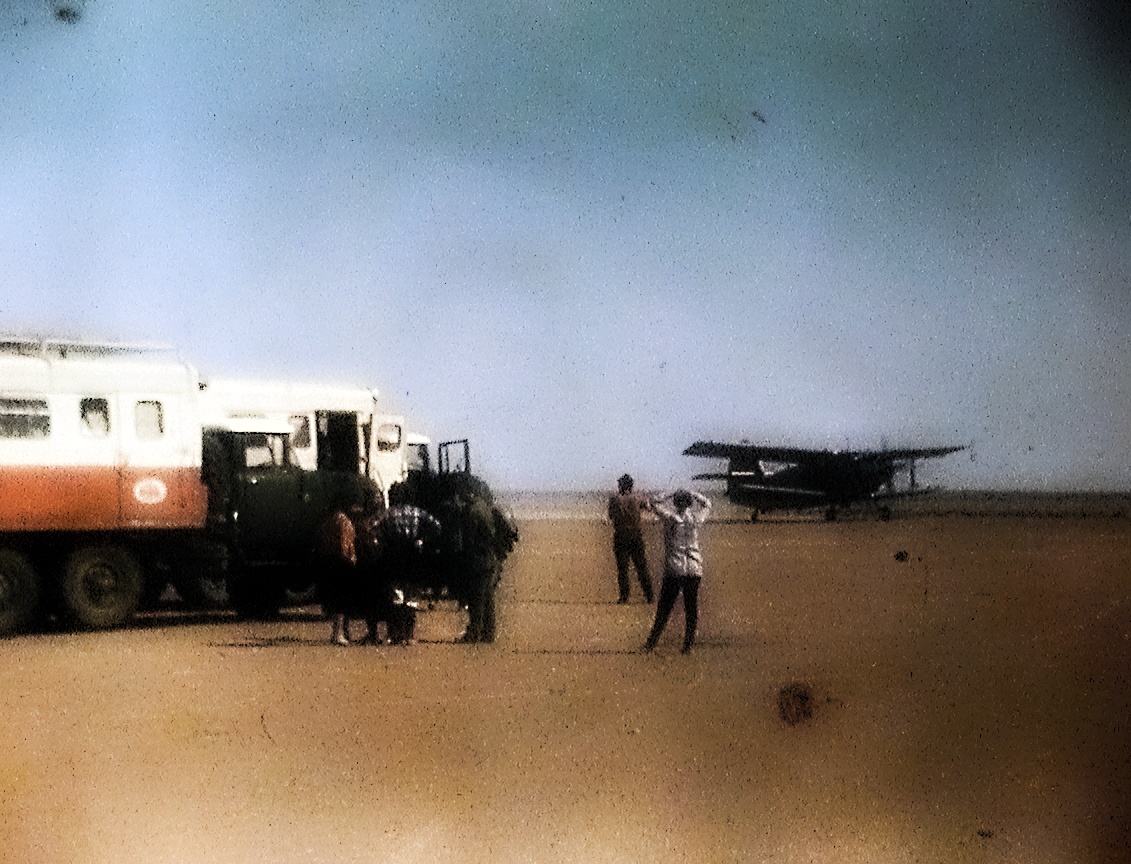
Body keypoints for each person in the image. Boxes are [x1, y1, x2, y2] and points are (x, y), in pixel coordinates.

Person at [356, 492, 443, 646]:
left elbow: (370, 528)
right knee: (411, 597)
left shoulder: (387, 514)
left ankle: (394, 634)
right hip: (414, 558)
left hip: (393, 558)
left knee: (395, 596)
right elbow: (437, 526)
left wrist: (380, 543)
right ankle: (408, 635)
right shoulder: (418, 513)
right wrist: (423, 540)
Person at [643, 489, 711, 654]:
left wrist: (669, 493)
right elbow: (707, 504)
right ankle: (687, 646)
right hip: (694, 567)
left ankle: (651, 643)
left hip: (675, 568)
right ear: (689, 503)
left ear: (675, 503)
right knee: (691, 608)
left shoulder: (671, 518)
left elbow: (653, 502)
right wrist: (694, 493)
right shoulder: (695, 519)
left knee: (664, 608)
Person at [607, 473, 654, 604]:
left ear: (621, 485)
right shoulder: (638, 498)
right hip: (635, 534)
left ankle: (624, 596)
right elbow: (649, 507)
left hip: (621, 534)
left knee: (622, 568)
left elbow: (610, 515)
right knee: (641, 567)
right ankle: (649, 595)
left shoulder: (614, 499)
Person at [317, 506, 358, 646]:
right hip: (342, 564)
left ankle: (341, 633)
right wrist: (351, 559)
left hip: (329, 563)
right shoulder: (344, 522)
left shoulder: (328, 522)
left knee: (336, 601)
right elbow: (344, 544)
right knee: (342, 602)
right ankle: (339, 634)